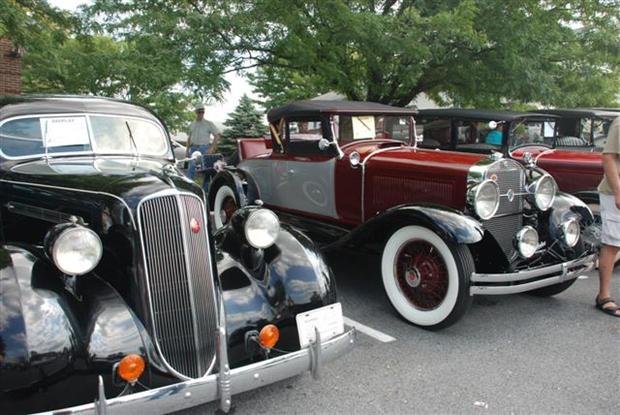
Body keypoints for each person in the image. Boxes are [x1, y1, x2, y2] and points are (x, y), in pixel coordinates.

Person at [595, 116, 620, 317]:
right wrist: (618, 191)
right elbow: (609, 156)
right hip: (615, 192)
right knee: (613, 243)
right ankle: (603, 296)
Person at [186, 104, 220, 180]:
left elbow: (217, 136)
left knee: (206, 170)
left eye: (202, 112)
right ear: (196, 112)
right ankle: (189, 188)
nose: (201, 113)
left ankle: (205, 190)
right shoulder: (192, 124)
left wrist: (211, 148)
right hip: (193, 148)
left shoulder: (209, 123)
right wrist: (187, 150)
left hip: (204, 149)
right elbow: (189, 138)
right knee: (191, 169)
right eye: (199, 112)